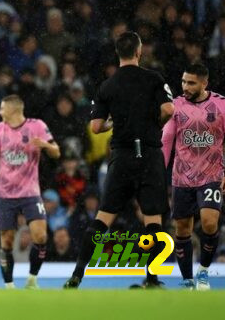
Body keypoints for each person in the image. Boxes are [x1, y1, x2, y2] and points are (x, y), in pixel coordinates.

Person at [64, 31, 175, 289]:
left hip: (122, 155)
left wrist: (116, 122)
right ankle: (152, 279)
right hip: (148, 153)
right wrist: (152, 124)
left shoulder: (107, 85)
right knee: (153, 219)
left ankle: (77, 275)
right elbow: (169, 109)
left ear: (118, 54)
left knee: (103, 218)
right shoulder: (153, 78)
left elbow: (95, 126)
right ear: (139, 52)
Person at [161, 63, 225, 290]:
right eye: (184, 81)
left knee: (208, 221)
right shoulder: (175, 106)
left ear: (204, 83)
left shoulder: (223, 104)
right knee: (183, 229)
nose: (185, 86)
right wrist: (159, 173)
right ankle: (187, 280)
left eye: (191, 83)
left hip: (211, 175)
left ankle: (203, 272)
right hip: (181, 177)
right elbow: (166, 141)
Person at [0, 94, 61, 289]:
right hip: (5, 194)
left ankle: (32, 279)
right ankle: (9, 286)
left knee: (40, 237)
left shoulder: (36, 126)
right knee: (6, 242)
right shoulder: (0, 129)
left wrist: (46, 145)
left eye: (2, 108)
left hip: (30, 192)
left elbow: (57, 151)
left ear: (13, 110)